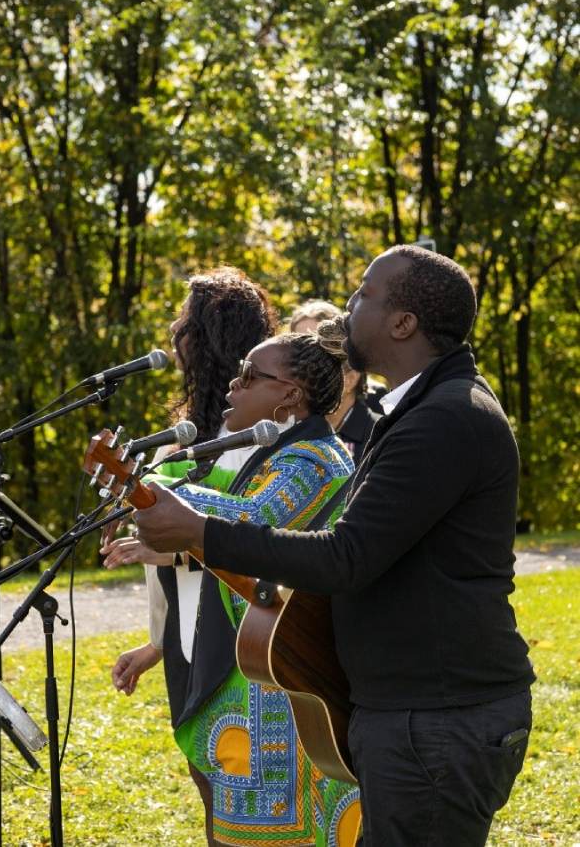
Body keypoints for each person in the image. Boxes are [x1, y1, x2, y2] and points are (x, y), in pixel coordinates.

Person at [133, 245, 536, 846]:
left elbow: (344, 557)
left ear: (404, 324)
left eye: (364, 294)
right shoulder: (416, 410)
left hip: (438, 718)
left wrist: (199, 532)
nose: (347, 307)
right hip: (414, 712)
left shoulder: (446, 418)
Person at [105, 331, 362, 846]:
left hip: (292, 678)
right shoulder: (275, 458)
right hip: (266, 672)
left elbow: (254, 521)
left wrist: (148, 490)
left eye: (250, 375)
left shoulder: (315, 460)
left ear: (290, 394)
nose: (233, 384)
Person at [101, 267, 278, 845]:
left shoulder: (258, 430)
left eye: (185, 321)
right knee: (207, 777)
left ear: (208, 335)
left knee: (243, 784)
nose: (175, 331)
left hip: (238, 633)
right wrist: (155, 643)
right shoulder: (184, 434)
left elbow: (246, 534)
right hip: (184, 632)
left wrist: (160, 547)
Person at [289, 300, 380, 464]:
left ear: (352, 375)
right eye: (296, 349)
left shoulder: (379, 435)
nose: (300, 367)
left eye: (317, 351)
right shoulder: (284, 427)